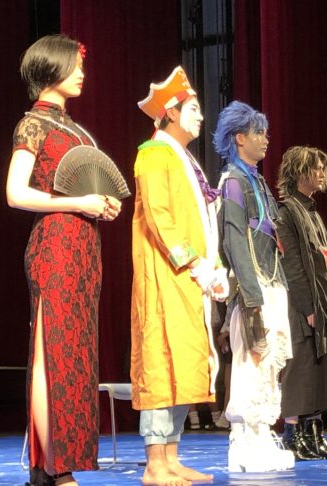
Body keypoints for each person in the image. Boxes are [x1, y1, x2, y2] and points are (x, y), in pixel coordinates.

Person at [6, 35, 122, 486]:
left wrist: (101, 204)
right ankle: (55, 467)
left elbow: (84, 189)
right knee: (50, 353)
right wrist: (78, 203)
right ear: (51, 68)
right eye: (74, 65)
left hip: (84, 249)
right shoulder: (32, 125)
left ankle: (52, 466)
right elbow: (15, 193)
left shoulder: (74, 129)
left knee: (76, 357)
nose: (81, 73)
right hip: (54, 248)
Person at [130, 66, 228, 486]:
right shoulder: (154, 153)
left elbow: (200, 222)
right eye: (194, 108)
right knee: (161, 362)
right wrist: (194, 263)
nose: (201, 116)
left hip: (188, 279)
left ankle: (171, 458)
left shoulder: (183, 158)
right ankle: (155, 463)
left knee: (183, 364)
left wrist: (214, 266)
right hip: (165, 277)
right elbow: (160, 218)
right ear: (170, 112)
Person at [214, 101, 294, 472]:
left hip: (272, 280)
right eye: (258, 133)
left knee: (269, 364)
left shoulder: (256, 180)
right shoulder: (233, 181)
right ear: (239, 138)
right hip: (255, 284)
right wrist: (251, 294)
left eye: (265, 132)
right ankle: (243, 443)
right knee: (252, 360)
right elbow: (233, 240)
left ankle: (262, 436)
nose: (265, 139)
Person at [276, 146, 327, 461]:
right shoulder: (286, 212)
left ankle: (314, 435)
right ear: (300, 172)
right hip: (304, 305)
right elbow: (292, 265)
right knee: (302, 369)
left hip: (326, 301)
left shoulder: (313, 212)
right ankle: (293, 437)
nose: (323, 174)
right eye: (317, 168)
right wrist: (308, 307)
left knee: (323, 371)